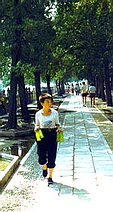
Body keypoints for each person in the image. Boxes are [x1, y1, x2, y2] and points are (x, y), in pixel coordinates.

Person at [34, 93, 61, 185]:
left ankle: (50, 176)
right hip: (42, 135)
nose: (50, 103)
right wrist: (36, 128)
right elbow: (37, 124)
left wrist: (58, 128)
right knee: (41, 155)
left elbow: (57, 124)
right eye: (47, 102)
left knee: (52, 155)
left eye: (51, 101)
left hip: (52, 135)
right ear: (42, 103)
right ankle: (44, 166)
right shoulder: (38, 114)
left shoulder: (55, 113)